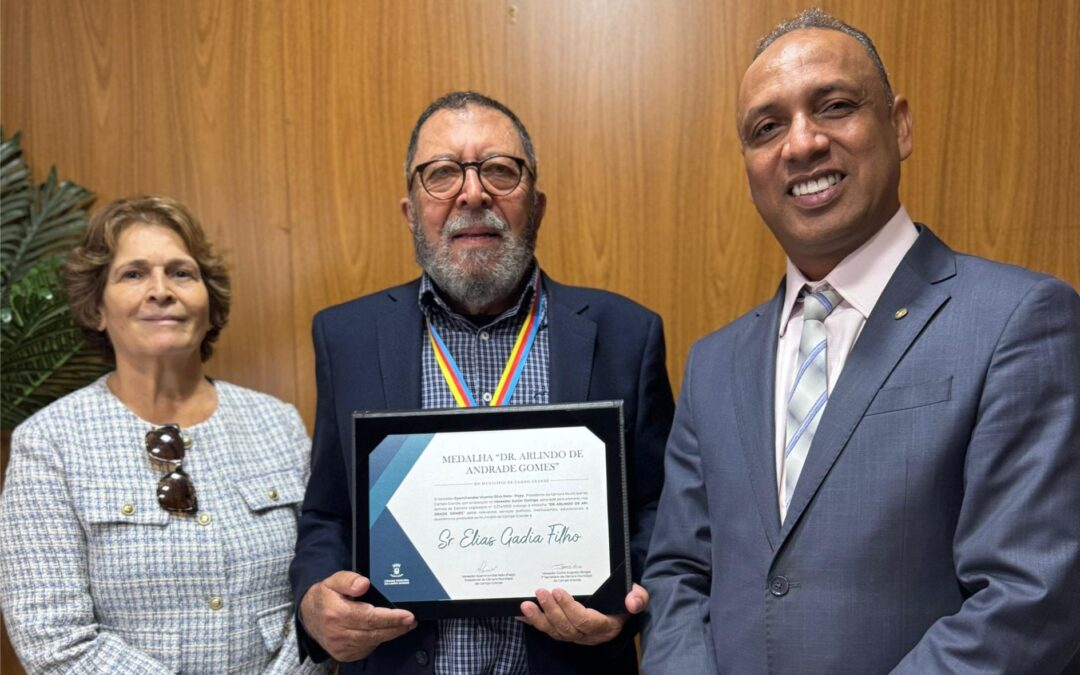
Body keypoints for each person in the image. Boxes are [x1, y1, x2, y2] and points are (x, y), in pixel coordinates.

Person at [642, 9, 1080, 674]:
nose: (802, 143)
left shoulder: (1020, 320)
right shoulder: (714, 363)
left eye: (835, 105)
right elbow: (680, 575)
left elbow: (1032, 597)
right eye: (767, 128)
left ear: (898, 125)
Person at [290, 91, 674, 674]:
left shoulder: (627, 333)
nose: (473, 193)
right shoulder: (345, 338)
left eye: (499, 170)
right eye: (441, 174)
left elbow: (656, 507)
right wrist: (317, 606)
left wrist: (624, 605)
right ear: (410, 211)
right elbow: (328, 514)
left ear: (537, 205)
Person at [0, 196, 325, 673]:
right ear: (96, 309)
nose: (161, 290)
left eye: (181, 273)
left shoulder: (277, 423)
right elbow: (53, 639)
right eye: (133, 274)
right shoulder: (48, 443)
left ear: (210, 305)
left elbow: (319, 588)